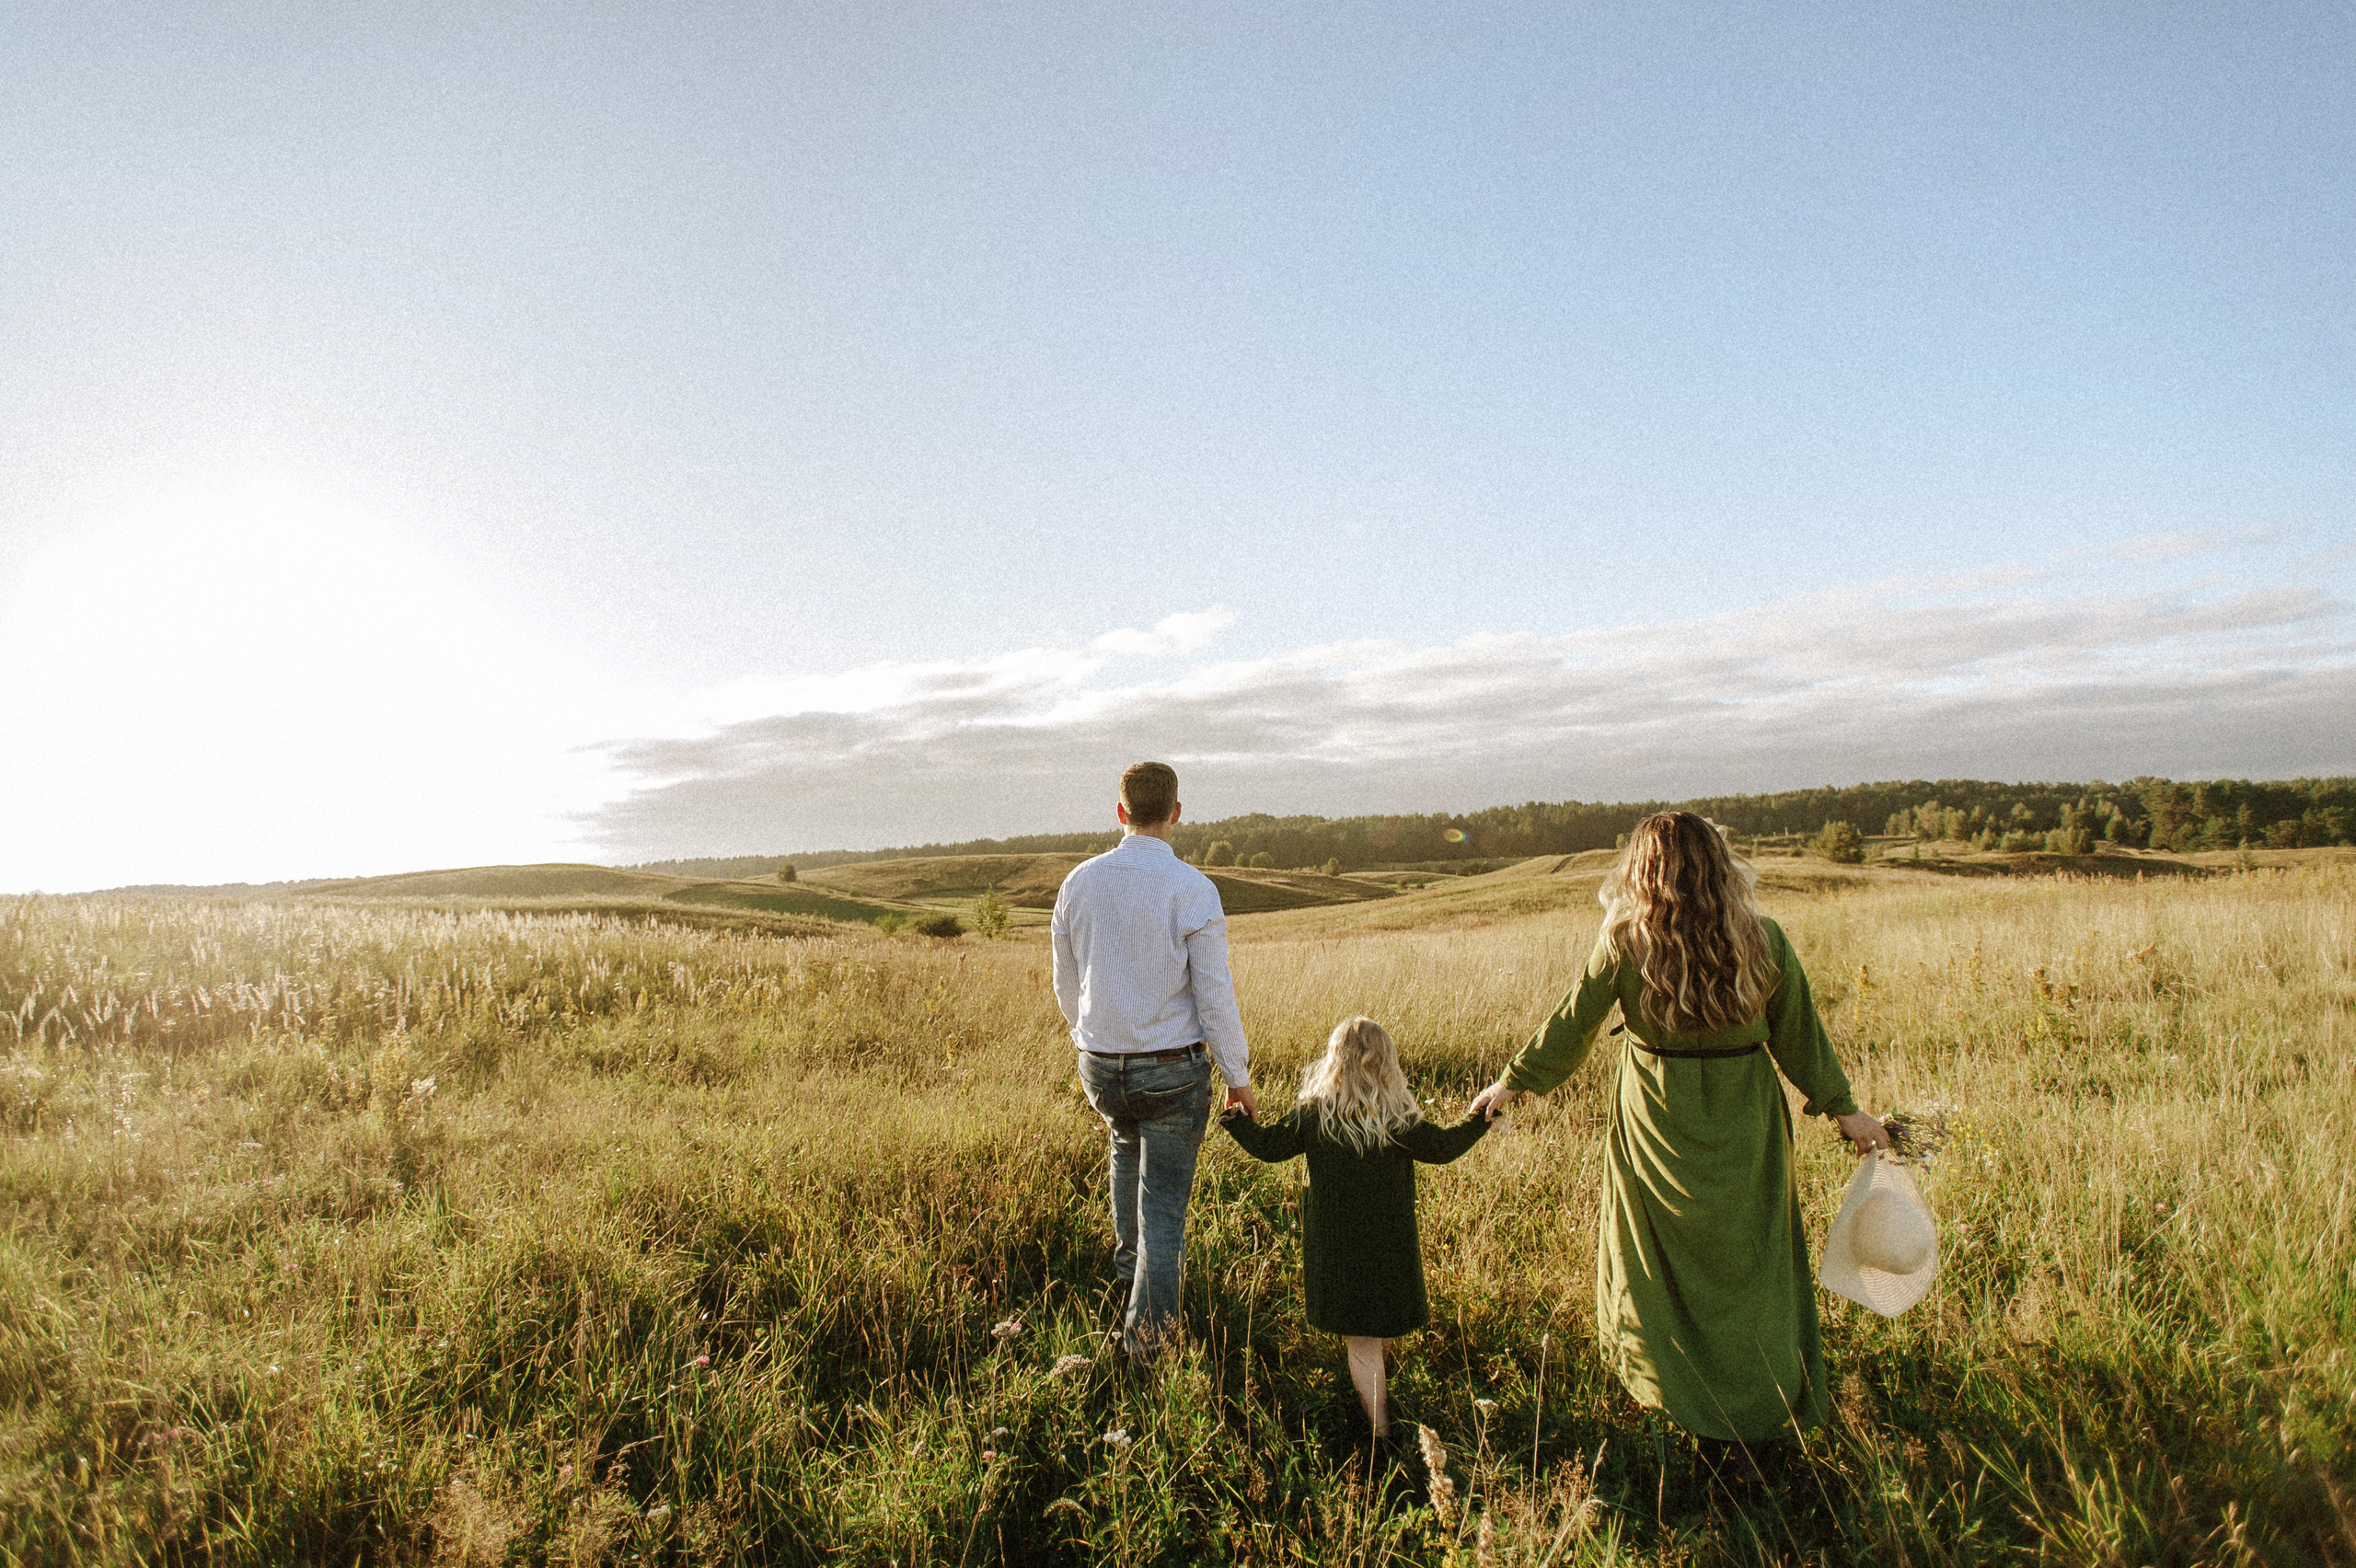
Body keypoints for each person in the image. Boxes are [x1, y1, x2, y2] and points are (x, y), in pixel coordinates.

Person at [1469, 811, 1890, 1447]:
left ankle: (1677, 1396)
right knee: (1753, 1261)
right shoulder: (1763, 939)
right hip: (1745, 1118)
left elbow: (1572, 1025)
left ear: (1644, 871)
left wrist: (1513, 1081)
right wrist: (1844, 1110)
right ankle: (1758, 1396)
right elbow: (1801, 1038)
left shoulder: (1626, 940)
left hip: (1657, 1119)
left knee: (1657, 1265)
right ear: (1718, 865)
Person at [1052, 761, 1256, 1363]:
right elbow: (1213, 993)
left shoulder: (1079, 883)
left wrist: (1091, 1037)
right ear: (1176, 813)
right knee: (1163, 1207)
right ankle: (1148, 1344)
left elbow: (1068, 984)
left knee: (1123, 1149)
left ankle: (1127, 1279)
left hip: (1100, 1061)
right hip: (1172, 1068)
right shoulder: (1192, 887)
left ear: (1120, 813)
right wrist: (1237, 1077)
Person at [1220, 1016, 1491, 1436]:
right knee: (1375, 1331)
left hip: (1337, 1251)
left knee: (1362, 1339)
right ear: (1386, 1063)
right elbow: (1443, 1148)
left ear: (1335, 1062)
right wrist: (1479, 1121)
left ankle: (1380, 1431)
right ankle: (1383, 1433)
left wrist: (1238, 1121)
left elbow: (1271, 1148)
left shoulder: (1315, 1113)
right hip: (1389, 1246)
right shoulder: (1396, 1117)